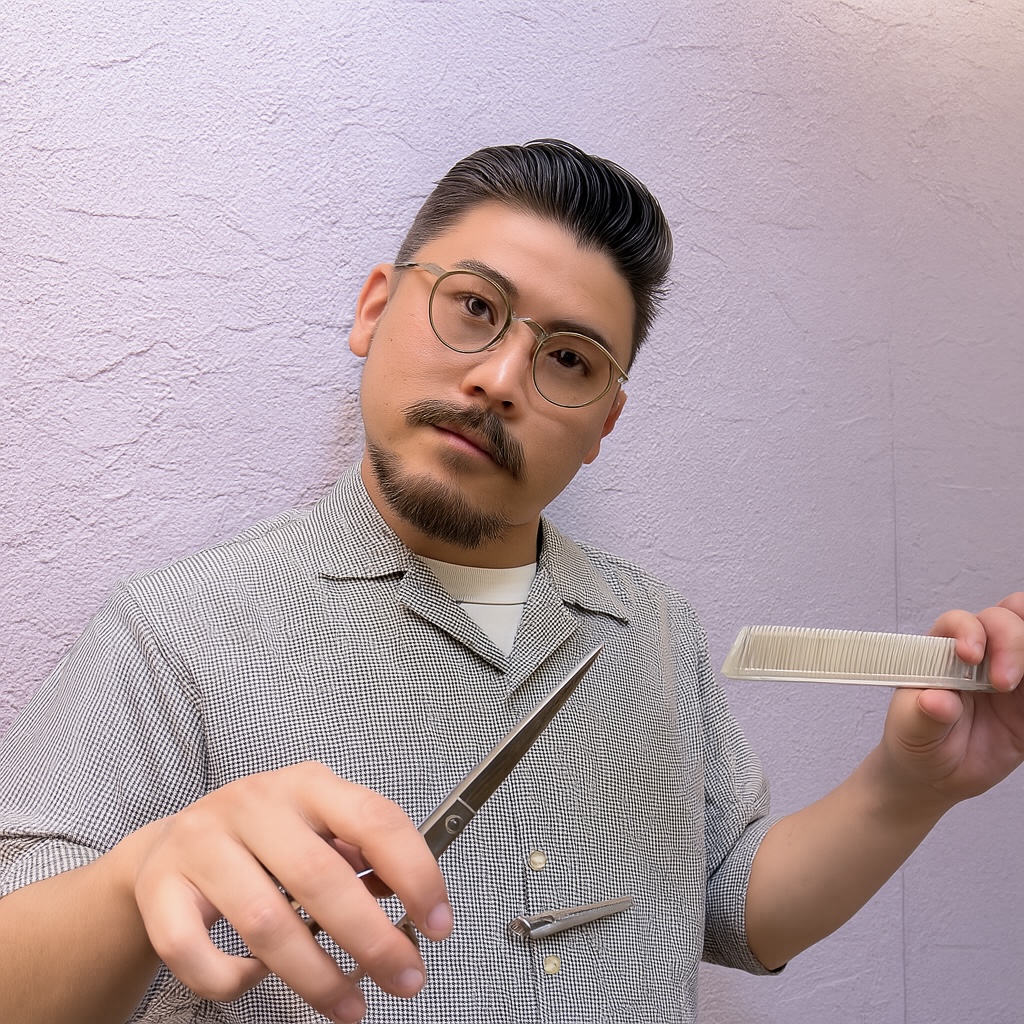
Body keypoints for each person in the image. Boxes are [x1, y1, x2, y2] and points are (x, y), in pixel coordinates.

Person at [0, 139, 1021, 1024]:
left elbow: (727, 904)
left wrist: (910, 787)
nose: (498, 379)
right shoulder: (175, 628)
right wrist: (140, 875)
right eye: (474, 307)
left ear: (604, 421)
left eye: (569, 360)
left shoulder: (653, 626)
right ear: (374, 308)